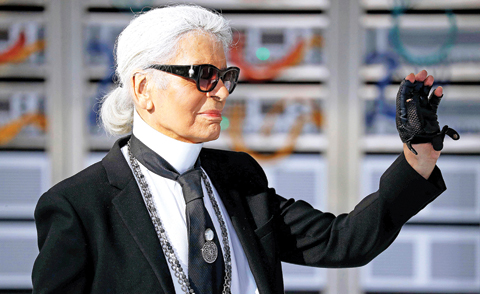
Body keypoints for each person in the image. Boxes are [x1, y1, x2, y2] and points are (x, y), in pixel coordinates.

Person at [32, 4, 457, 294]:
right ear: (144, 88)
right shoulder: (78, 206)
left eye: (224, 75)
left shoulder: (240, 179)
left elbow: (342, 241)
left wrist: (417, 160)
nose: (219, 91)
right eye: (201, 74)